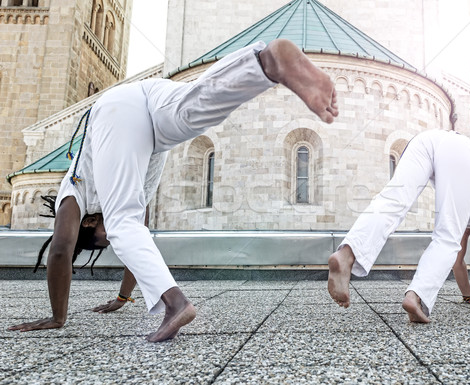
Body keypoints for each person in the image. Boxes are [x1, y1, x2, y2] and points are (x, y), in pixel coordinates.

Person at [9, 39, 338, 342]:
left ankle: (176, 304)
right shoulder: (126, 190)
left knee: (124, 221)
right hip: (150, 106)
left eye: (101, 238)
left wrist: (57, 316)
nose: (109, 240)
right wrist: (123, 299)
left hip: (115, 109)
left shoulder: (72, 196)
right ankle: (265, 63)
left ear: (88, 225)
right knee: (192, 111)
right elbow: (137, 247)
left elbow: (60, 251)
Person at [327, 129, 470, 322]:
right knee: (447, 239)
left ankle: (347, 254)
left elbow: (458, 261)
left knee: (393, 202)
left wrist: (468, 296)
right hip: (465, 153)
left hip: (426, 141)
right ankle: (416, 295)